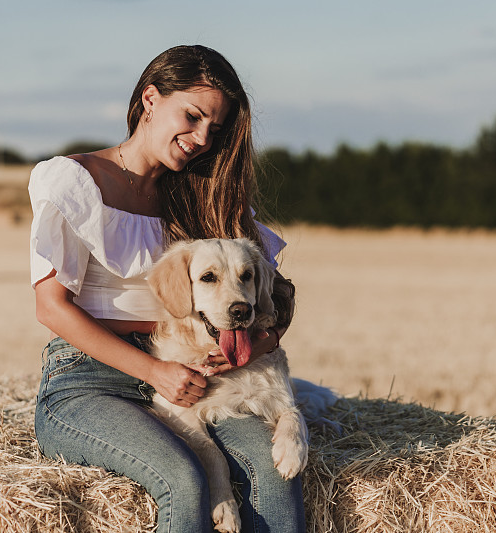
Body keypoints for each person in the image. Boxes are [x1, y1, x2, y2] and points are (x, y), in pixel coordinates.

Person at [29, 44, 302, 532]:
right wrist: (155, 371)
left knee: (274, 471)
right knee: (184, 479)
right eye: (192, 116)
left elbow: (278, 296)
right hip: (91, 379)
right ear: (150, 99)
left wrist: (260, 343)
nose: (201, 138)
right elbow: (51, 308)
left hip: (201, 375)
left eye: (214, 130)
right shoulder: (76, 181)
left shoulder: (204, 193)